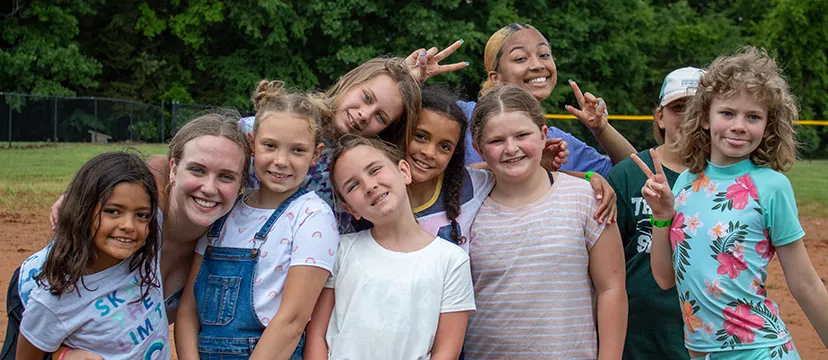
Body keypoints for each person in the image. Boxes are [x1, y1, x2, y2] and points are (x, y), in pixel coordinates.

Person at [2, 111, 251, 360]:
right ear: (174, 169)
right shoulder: (143, 209)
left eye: (226, 176)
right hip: (41, 299)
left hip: (112, 333)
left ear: (243, 183)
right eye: (197, 170)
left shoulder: (226, 241)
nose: (209, 188)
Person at [636, 47, 828, 359]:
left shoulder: (771, 187)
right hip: (701, 352)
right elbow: (664, 277)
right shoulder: (685, 184)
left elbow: (805, 283)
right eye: (728, 113)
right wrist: (661, 217)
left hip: (760, 350)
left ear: (767, 126)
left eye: (753, 116)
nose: (739, 125)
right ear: (706, 119)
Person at [175, 81, 339, 359]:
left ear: (316, 154)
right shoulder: (225, 211)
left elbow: (291, 321)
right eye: (270, 146)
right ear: (252, 144)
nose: (281, 161)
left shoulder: (312, 217)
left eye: (297, 150)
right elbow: (189, 309)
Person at [465, 85, 627, 359]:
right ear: (479, 149)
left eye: (522, 135)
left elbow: (611, 289)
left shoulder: (585, 198)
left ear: (543, 135)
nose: (511, 148)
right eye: (496, 141)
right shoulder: (466, 202)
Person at [304, 135, 475, 359]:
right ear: (350, 209)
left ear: (404, 171)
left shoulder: (451, 260)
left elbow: (446, 352)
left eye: (374, 170)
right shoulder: (340, 250)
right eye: (353, 185)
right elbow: (316, 335)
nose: (369, 185)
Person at [15, 152, 167, 359]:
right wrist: (62, 356)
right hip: (25, 282)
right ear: (83, 210)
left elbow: (162, 163)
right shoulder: (54, 298)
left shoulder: (147, 249)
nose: (129, 226)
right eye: (113, 211)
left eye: (141, 215)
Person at [444, 23, 636, 175]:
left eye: (544, 55)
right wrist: (414, 77)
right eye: (520, 58)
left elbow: (634, 174)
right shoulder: (462, 118)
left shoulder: (558, 144)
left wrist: (602, 129)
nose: (537, 65)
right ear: (496, 77)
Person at [606, 67, 703, 360]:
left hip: (702, 330)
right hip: (638, 332)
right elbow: (606, 264)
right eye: (678, 108)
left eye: (699, 108)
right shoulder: (628, 174)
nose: (689, 118)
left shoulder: (726, 183)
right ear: (660, 116)